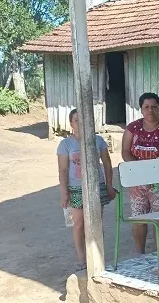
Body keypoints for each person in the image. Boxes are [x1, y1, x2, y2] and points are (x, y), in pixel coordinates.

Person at [121, 93, 159, 254]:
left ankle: (158, 253)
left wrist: (152, 174)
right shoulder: (132, 128)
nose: (150, 110)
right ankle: (139, 254)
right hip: (137, 180)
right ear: (141, 109)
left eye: (154, 107)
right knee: (138, 217)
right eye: (146, 107)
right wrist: (140, 173)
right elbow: (126, 151)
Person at [57, 108, 117, 270]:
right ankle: (82, 260)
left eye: (84, 120)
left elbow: (107, 165)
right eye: (77, 120)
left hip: (97, 187)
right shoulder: (66, 144)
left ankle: (97, 256)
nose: (80, 123)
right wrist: (64, 193)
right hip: (76, 188)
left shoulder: (98, 141)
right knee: (78, 223)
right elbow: (62, 170)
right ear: (71, 123)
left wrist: (109, 186)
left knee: (96, 222)